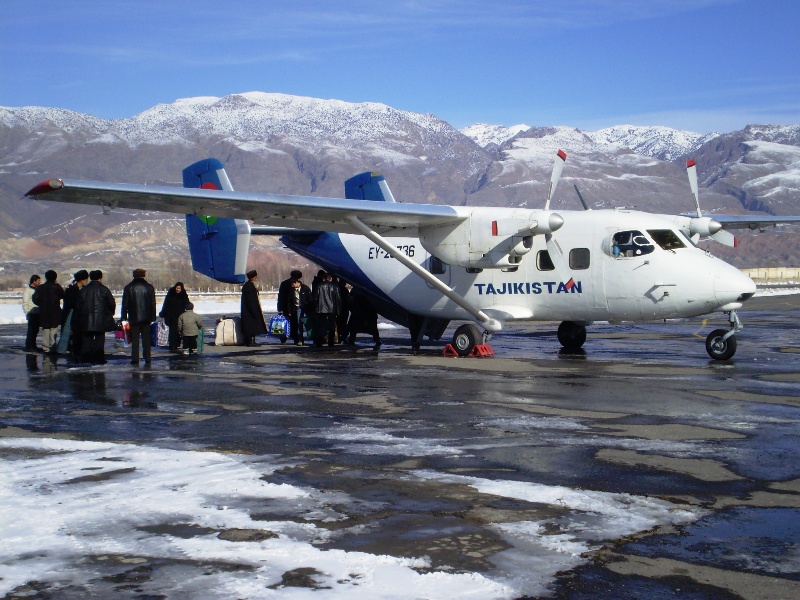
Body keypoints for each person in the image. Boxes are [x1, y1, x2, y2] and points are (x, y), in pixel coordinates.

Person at [75, 270, 116, 365]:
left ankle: (85, 358)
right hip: (101, 319)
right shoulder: (104, 289)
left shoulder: (84, 290)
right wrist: (110, 314)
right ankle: (98, 358)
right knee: (99, 340)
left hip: (86, 319)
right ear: (100, 278)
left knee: (87, 340)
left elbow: (78, 306)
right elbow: (111, 303)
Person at [121, 268, 157, 365]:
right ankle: (147, 357)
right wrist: (153, 317)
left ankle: (135, 358)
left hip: (134, 317)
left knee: (135, 340)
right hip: (146, 318)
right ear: (144, 275)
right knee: (146, 339)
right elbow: (153, 303)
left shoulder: (129, 287)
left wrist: (123, 317)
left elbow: (125, 304)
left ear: (134, 275)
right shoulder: (149, 287)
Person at [59, 269, 89, 358]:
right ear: (82, 280)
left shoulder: (76, 289)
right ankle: (73, 351)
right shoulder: (72, 290)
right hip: (72, 314)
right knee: (72, 334)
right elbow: (71, 303)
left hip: (76, 314)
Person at [32, 269, 64, 354]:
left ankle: (46, 348)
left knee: (46, 330)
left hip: (44, 312)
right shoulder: (57, 287)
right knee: (54, 330)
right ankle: (53, 346)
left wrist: (41, 304)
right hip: (55, 312)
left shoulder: (40, 287)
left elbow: (35, 299)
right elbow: (63, 295)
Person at [277, 270, 311, 345]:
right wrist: (280, 309)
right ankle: (286, 337)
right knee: (288, 323)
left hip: (294, 308)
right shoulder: (287, 285)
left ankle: (296, 338)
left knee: (295, 324)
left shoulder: (303, 287)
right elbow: (282, 298)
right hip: (289, 308)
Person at [313, 271, 341, 348]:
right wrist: (338, 311)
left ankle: (319, 342)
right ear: (330, 278)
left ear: (323, 278)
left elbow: (315, 298)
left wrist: (315, 309)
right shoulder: (335, 287)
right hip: (332, 309)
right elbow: (338, 300)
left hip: (321, 309)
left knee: (321, 326)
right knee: (331, 327)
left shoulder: (319, 286)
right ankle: (331, 343)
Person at [159, 282, 189, 352]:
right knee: (172, 331)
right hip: (171, 316)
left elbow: (187, 304)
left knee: (179, 331)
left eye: (179, 288)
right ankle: (172, 344)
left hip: (180, 316)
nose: (178, 290)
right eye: (177, 288)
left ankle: (177, 344)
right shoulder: (170, 294)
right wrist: (163, 313)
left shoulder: (183, 295)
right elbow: (166, 304)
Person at [240, 269, 267, 346]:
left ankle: (248, 341)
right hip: (250, 311)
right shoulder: (250, 286)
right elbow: (251, 300)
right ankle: (251, 341)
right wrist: (254, 311)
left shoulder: (247, 285)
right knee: (252, 326)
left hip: (248, 310)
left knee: (249, 326)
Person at [22, 274, 41, 352]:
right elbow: (25, 302)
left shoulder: (38, 289)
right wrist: (27, 312)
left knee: (35, 330)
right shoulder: (28, 290)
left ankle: (33, 345)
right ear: (34, 281)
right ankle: (29, 346)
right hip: (32, 313)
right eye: (38, 281)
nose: (40, 282)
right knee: (31, 330)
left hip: (37, 312)